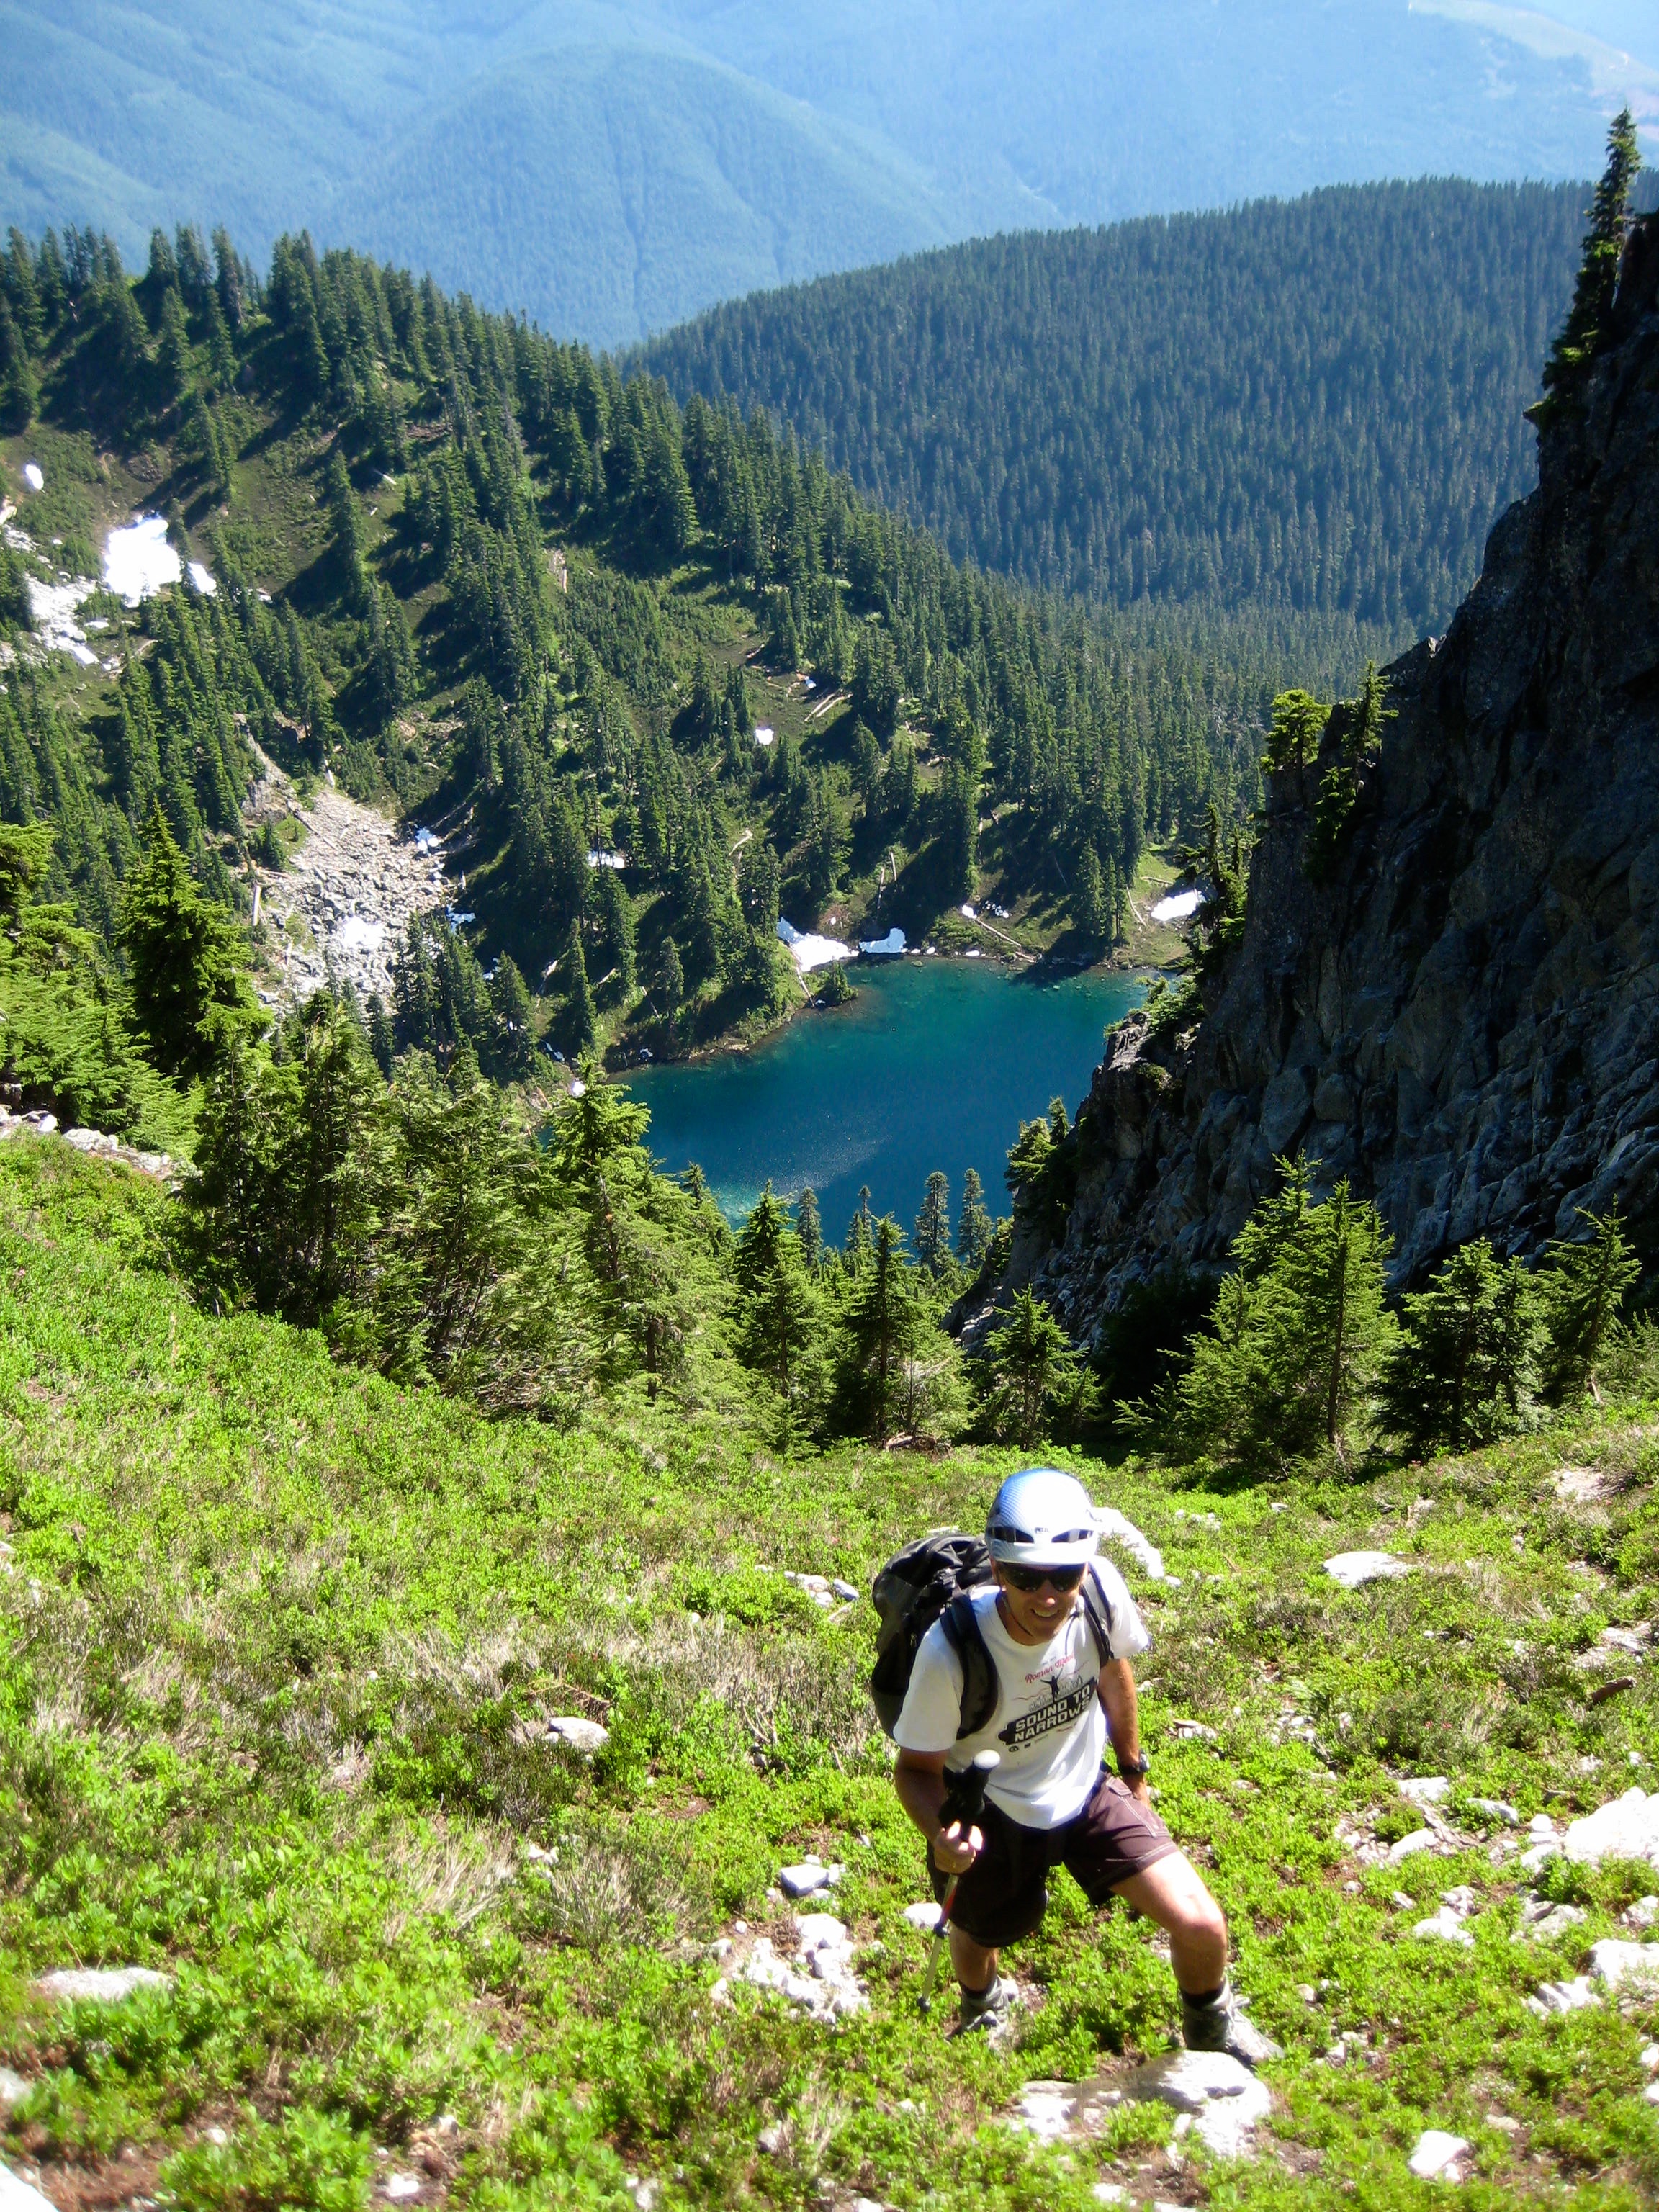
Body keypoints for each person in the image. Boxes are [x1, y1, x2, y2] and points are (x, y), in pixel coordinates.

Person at [891, 1466, 1279, 2057]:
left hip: (1085, 1788)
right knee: (978, 1930)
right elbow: (915, 1770)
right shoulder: (951, 1650)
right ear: (998, 1570)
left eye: (1064, 1575)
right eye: (1026, 1576)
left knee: (1201, 1923)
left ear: (1084, 1568)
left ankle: (1213, 2030)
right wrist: (942, 1836)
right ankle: (982, 2004)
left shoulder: (1098, 1594)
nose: (1047, 1595)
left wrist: (1133, 1771)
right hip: (990, 1811)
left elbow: (1113, 1670)